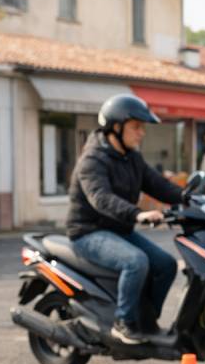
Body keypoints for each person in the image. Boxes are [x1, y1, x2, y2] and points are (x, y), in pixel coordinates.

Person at [66, 94, 185, 345]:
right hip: (88, 232)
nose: (141, 133)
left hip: (118, 230)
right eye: (136, 127)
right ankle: (124, 322)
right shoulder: (92, 159)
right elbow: (102, 198)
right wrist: (138, 213)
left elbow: (158, 185)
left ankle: (146, 319)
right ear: (116, 127)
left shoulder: (132, 158)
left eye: (142, 127)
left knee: (166, 264)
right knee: (136, 261)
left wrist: (190, 198)